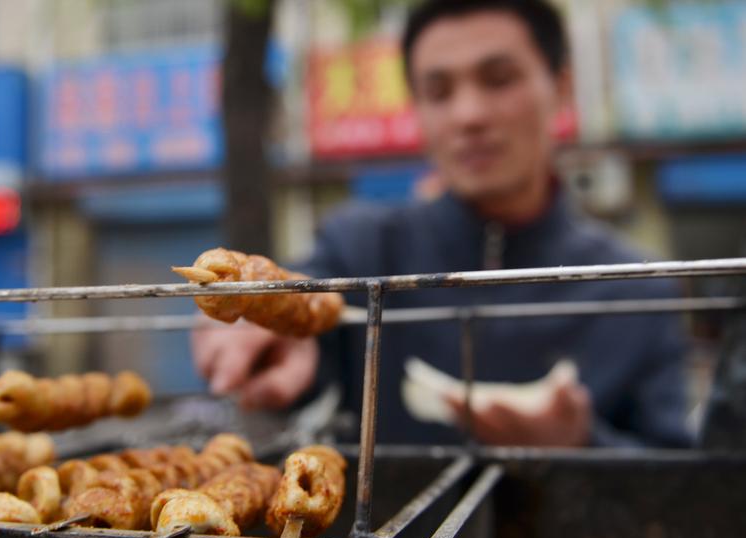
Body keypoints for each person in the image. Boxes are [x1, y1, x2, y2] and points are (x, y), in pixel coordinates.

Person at [192, 0, 691, 448]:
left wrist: (582, 444)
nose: (468, 114)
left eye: (499, 79)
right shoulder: (361, 248)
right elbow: (305, 328)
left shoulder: (637, 287)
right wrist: (268, 331)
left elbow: (681, 482)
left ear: (560, 87)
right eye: (438, 91)